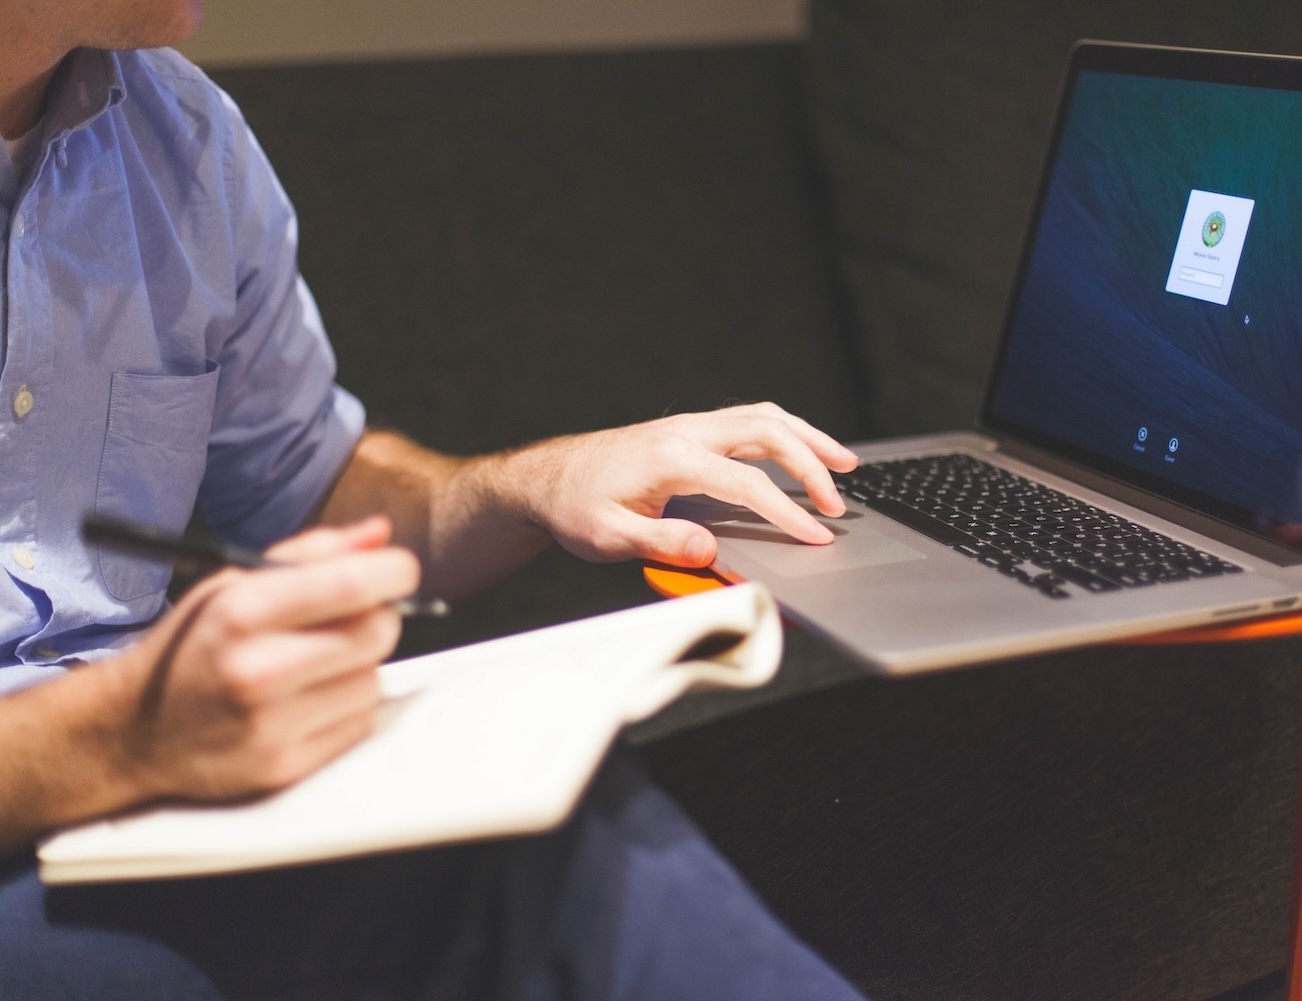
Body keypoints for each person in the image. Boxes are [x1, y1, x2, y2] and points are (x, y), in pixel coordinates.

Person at [0, 1, 868, 997]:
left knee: (557, 832)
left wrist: (532, 484)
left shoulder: (181, 142)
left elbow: (311, 483)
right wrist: (120, 731)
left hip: (147, 802)